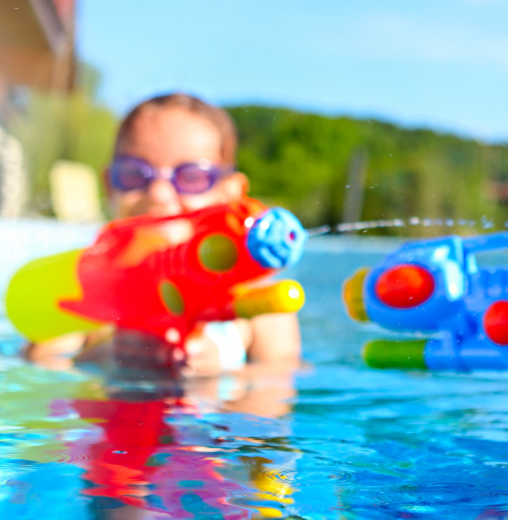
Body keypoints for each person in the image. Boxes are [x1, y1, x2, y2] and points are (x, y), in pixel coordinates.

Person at [25, 93, 302, 376]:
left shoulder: (258, 302)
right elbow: (39, 362)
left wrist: (218, 373)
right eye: (135, 174)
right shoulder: (89, 286)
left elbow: (277, 388)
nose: (158, 194)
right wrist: (105, 358)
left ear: (229, 194)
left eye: (191, 177)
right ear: (109, 186)